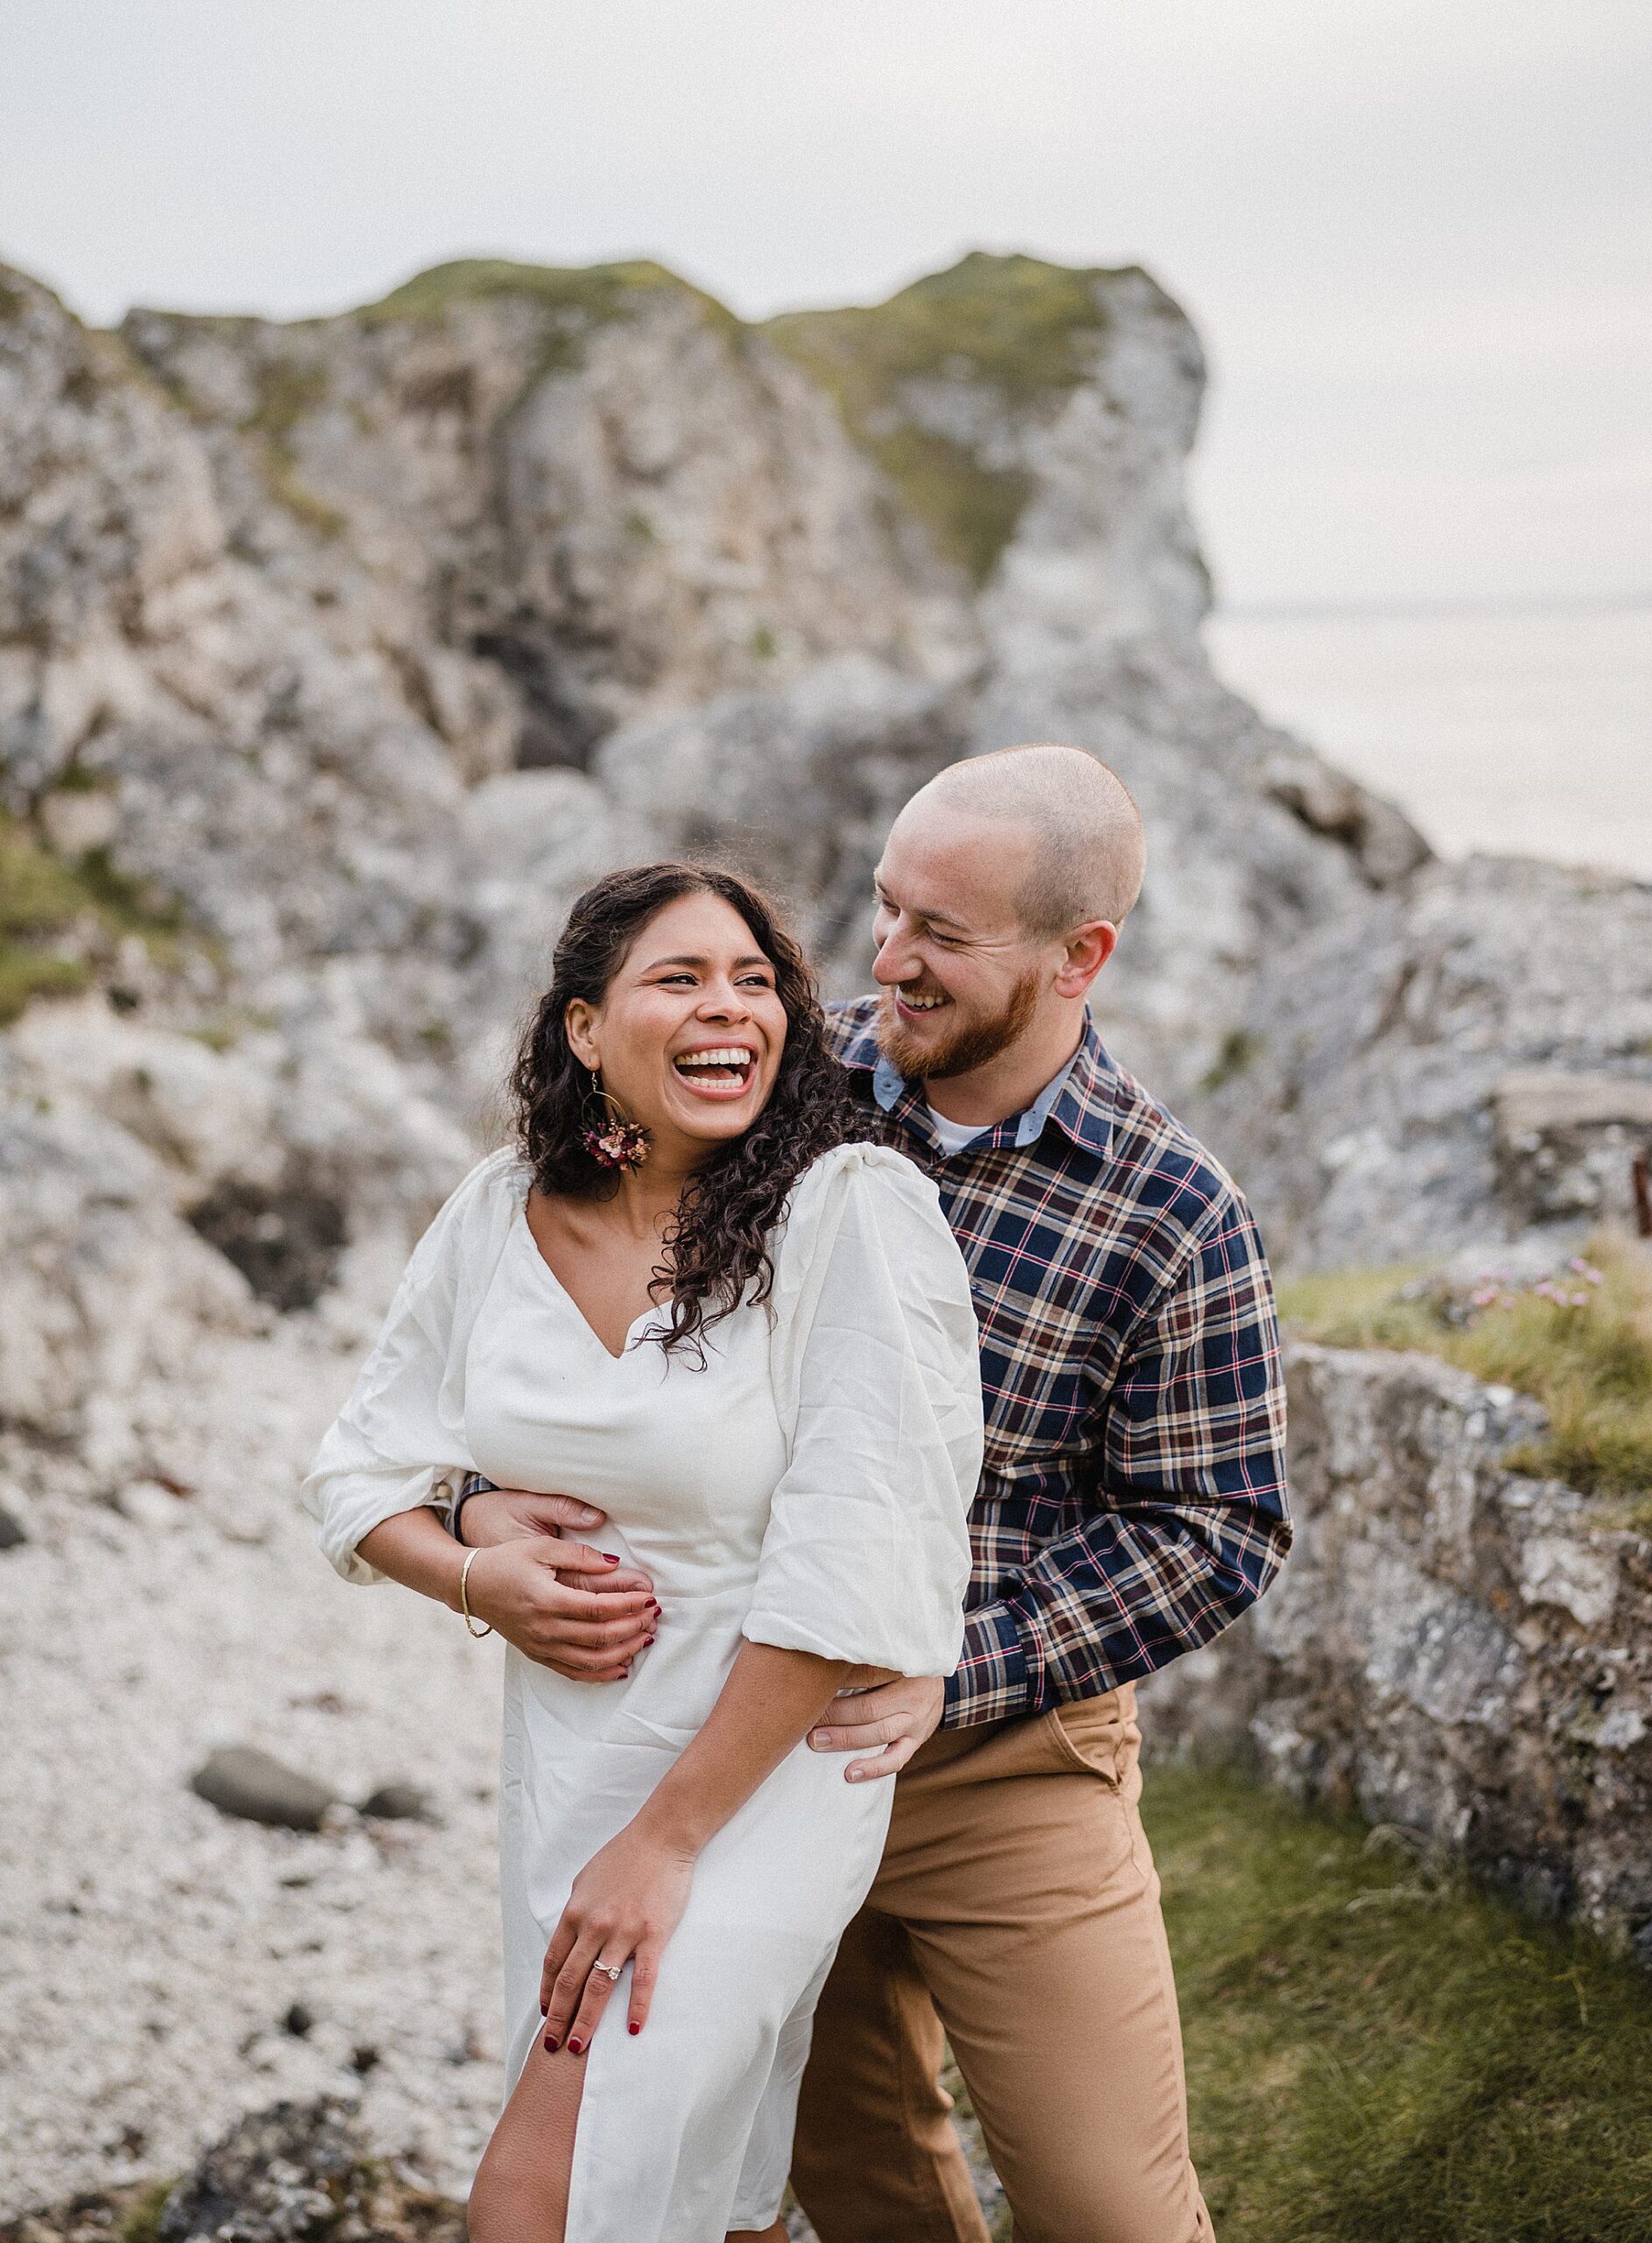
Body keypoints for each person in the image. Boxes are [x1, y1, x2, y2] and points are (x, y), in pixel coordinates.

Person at [455, 745, 1292, 2243]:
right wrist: (470, 1508)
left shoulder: (1175, 1211)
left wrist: (954, 1664)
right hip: (738, 1739)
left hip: (1006, 1765)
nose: (887, 961)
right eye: (888, 911)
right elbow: (538, 1298)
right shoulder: (775, 1082)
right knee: (847, 2191)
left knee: (1114, 2210)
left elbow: (1219, 1529)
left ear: (1078, 956)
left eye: (943, 938)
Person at [302, 861, 983, 2243]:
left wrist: (666, 1842)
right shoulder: (497, 1210)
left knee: (563, 2166)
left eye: (754, 982)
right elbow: (356, 1470)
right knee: (688, 2162)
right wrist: (474, 1568)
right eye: (678, 979)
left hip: (769, 1769)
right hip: (568, 1765)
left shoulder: (847, 1208)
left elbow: (854, 1553)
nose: (728, 1010)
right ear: (583, 1028)